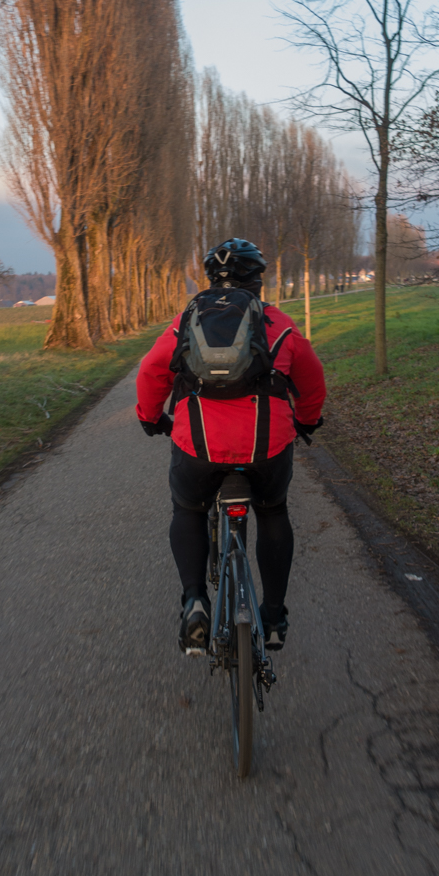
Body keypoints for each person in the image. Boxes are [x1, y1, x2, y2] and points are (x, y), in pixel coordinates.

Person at [135, 238, 326, 654]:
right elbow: (312, 381)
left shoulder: (184, 323)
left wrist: (151, 418)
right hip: (267, 450)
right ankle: (273, 617)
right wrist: (307, 420)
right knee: (273, 512)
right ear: (258, 280)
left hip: (198, 449)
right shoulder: (281, 325)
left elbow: (151, 372)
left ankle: (194, 602)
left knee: (188, 508)